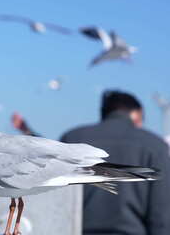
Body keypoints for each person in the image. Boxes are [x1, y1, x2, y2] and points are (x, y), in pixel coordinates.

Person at [61, 90, 170, 235]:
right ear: (137, 114)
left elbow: (57, 205)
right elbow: (161, 216)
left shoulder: (71, 139)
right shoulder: (155, 146)